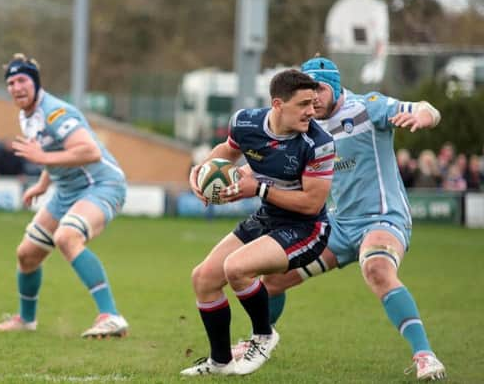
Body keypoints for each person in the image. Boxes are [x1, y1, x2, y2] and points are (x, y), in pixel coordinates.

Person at [240, 56, 446, 381]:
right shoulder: (307, 128)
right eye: (307, 93)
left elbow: (425, 108)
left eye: (319, 90)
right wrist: (230, 176)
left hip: (382, 218)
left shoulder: (367, 107)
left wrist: (423, 115)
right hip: (336, 225)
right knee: (274, 278)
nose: (313, 100)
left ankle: (425, 356)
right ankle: (260, 340)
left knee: (377, 268)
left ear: (334, 88)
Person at [181, 69, 335, 376]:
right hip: (267, 218)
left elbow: (311, 204)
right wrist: (202, 172)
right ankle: (221, 361)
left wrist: (260, 189)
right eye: (303, 104)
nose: (312, 111)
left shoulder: (319, 143)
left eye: (313, 102)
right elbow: (225, 153)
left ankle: (264, 336)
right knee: (204, 278)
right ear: (278, 104)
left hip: (307, 228)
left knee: (236, 267)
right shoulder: (246, 122)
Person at [0, 53, 128, 338]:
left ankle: (111, 316)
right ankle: (26, 321)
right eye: (11, 82)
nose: (17, 87)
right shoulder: (27, 116)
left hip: (101, 185)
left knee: (67, 237)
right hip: (66, 191)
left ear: (36, 83)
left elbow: (90, 151)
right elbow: (52, 152)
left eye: (23, 80)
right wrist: (42, 184)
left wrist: (39, 157)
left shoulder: (55, 112)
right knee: (27, 255)